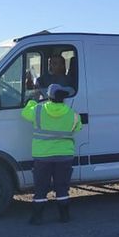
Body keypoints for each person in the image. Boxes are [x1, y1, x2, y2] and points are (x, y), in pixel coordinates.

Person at [21, 84, 82, 224]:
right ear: (63, 98)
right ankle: (64, 216)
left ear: (49, 96)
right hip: (64, 156)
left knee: (41, 187)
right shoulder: (72, 114)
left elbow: (25, 113)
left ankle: (37, 218)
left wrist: (33, 100)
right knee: (62, 186)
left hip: (42, 156)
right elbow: (77, 128)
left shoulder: (38, 110)